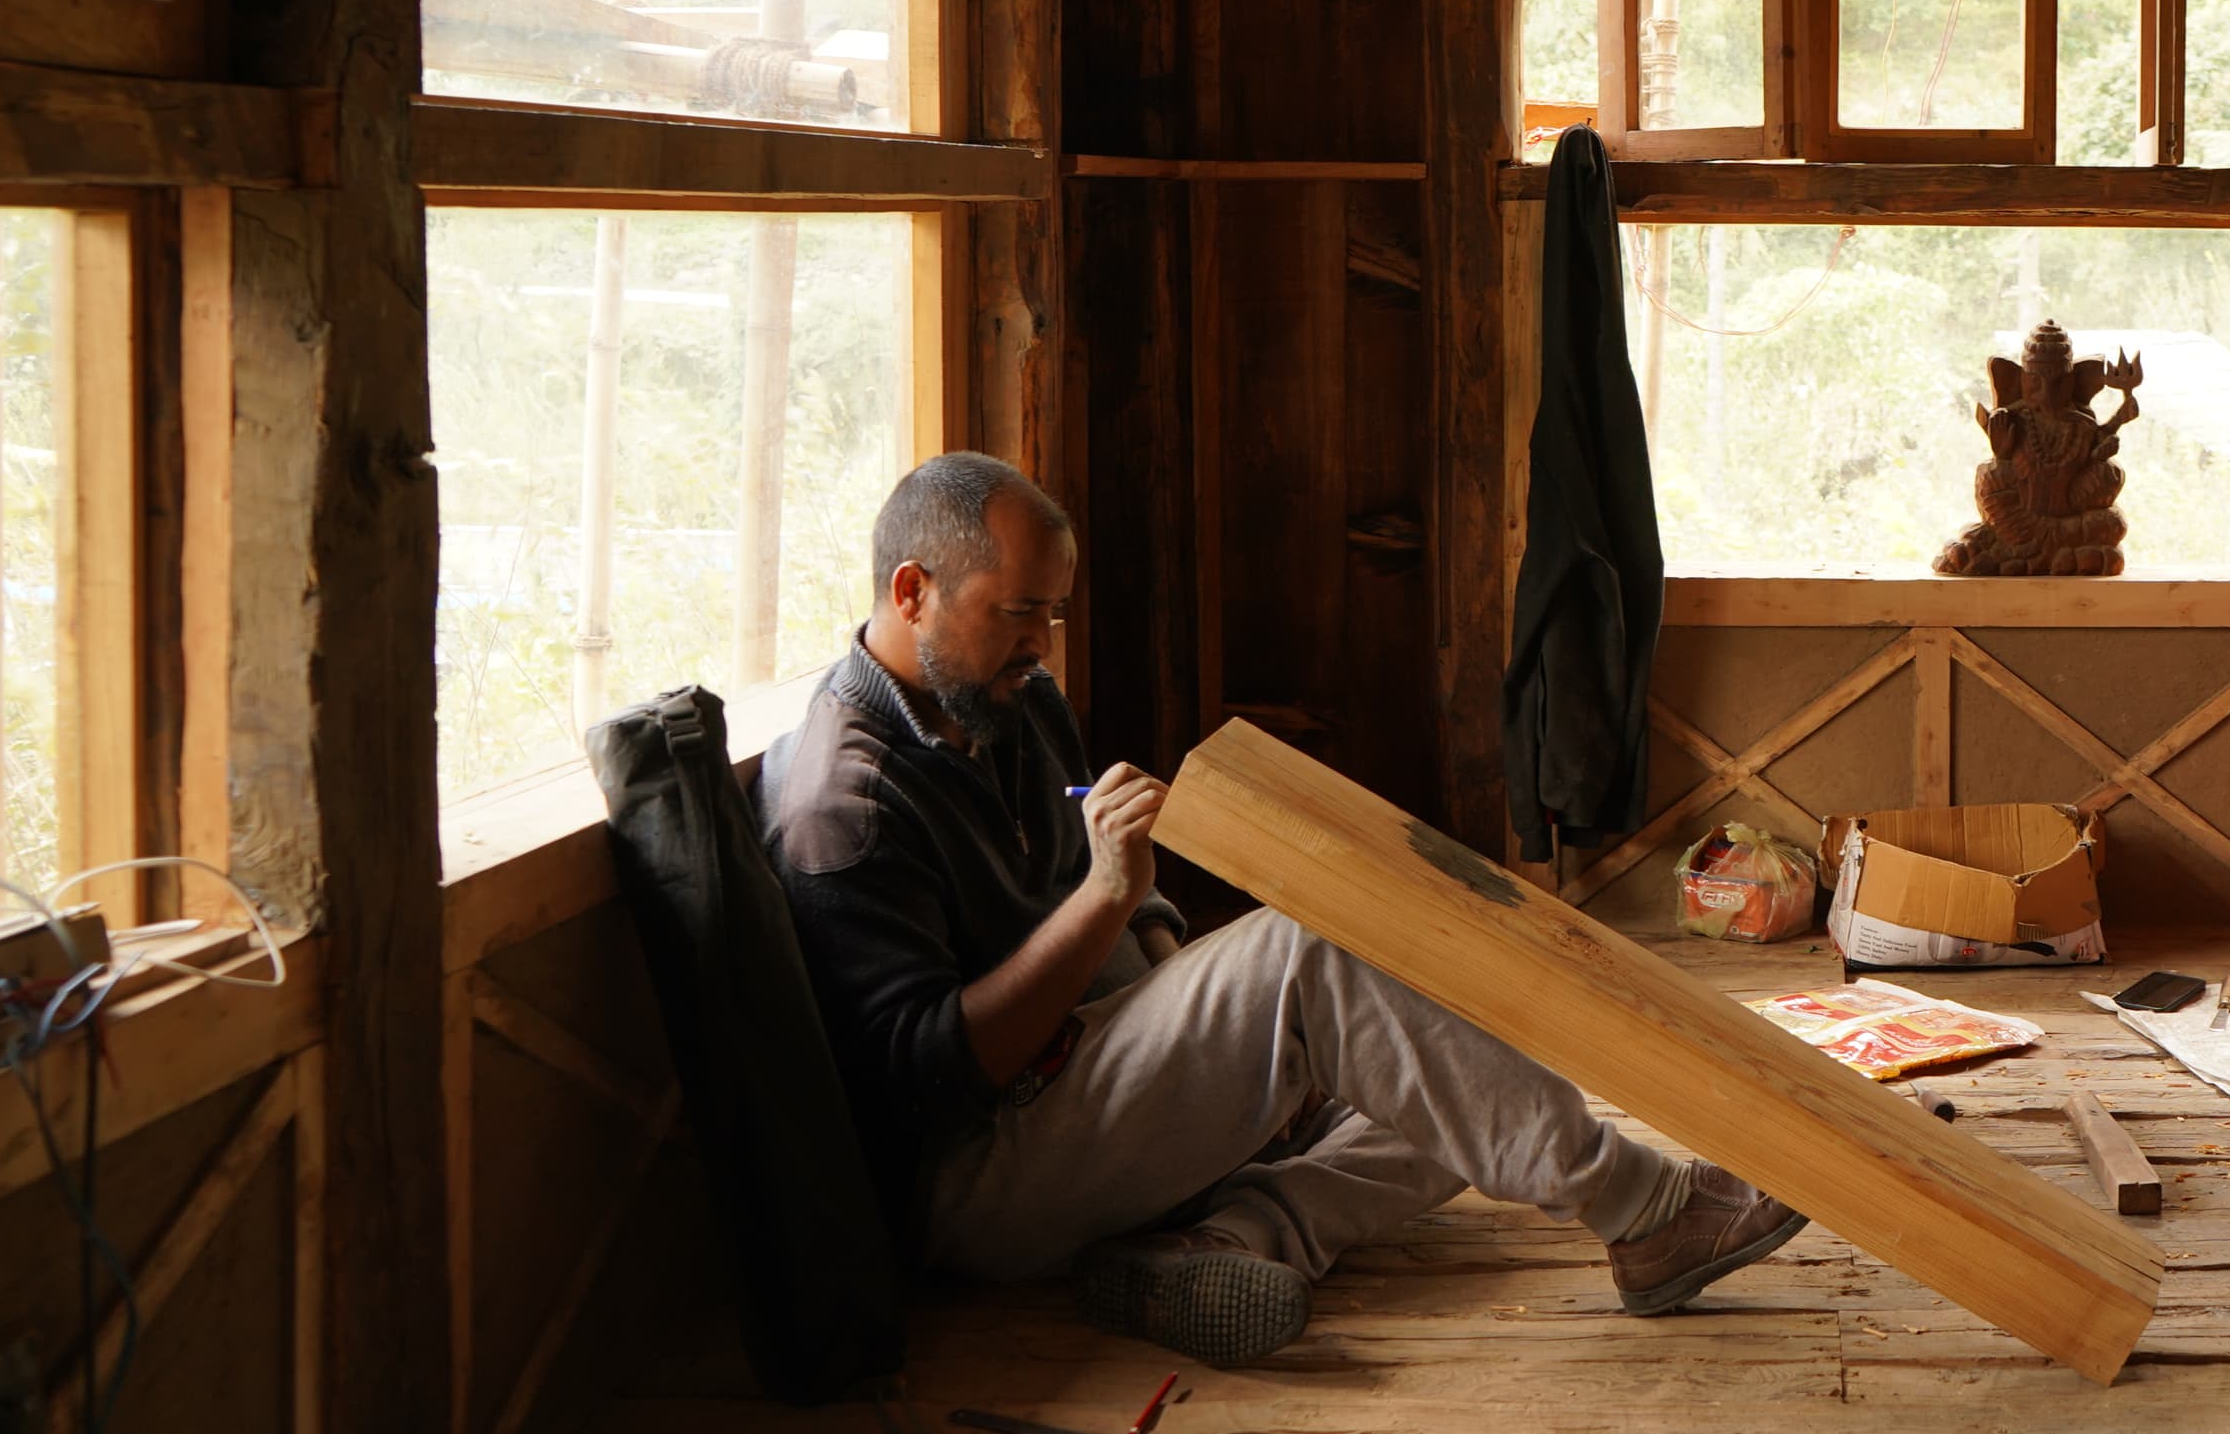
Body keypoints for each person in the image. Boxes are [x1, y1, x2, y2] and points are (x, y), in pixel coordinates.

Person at [759, 452, 1807, 1367]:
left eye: (1055, 611)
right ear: (911, 589)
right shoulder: (842, 803)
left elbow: (1127, 915)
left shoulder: (1007, 700)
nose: (1046, 643)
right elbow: (932, 1082)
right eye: (1019, 611)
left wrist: (1227, 1043)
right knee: (1321, 964)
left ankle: (1219, 1246)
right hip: (975, 1178)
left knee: (1452, 1066)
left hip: (1079, 1081)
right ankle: (1648, 1211)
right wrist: (1107, 897)